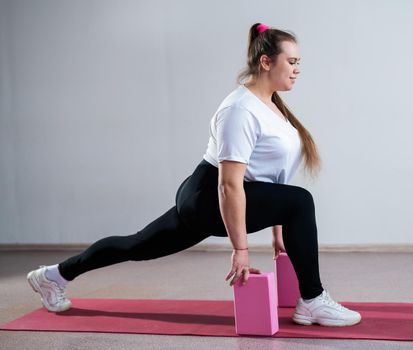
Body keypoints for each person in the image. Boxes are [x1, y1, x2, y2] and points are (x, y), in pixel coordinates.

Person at [27, 23, 361, 327]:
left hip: (219, 196)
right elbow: (229, 185)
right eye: (292, 62)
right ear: (265, 62)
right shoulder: (239, 109)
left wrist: (279, 233)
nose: (298, 70)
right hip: (208, 196)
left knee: (138, 245)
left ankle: (54, 275)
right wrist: (240, 249)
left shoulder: (272, 106)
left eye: (299, 62)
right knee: (302, 201)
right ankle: (313, 299)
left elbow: (273, 180)